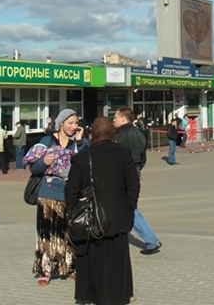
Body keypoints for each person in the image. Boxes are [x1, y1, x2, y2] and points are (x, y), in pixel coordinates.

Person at [65, 116, 139, 305]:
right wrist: (129, 206)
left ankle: (89, 296)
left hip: (89, 222)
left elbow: (71, 191)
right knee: (117, 262)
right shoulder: (122, 153)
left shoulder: (81, 157)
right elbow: (133, 184)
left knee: (91, 263)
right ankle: (119, 296)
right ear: (111, 133)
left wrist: (75, 213)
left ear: (92, 134)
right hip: (117, 219)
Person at [29, 109, 86, 285]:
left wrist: (81, 142)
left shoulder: (76, 142)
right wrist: (43, 162)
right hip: (48, 194)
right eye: (70, 123)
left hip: (70, 194)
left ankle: (69, 267)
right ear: (61, 123)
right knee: (47, 232)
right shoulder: (47, 140)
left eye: (76, 123)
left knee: (68, 232)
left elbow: (87, 162)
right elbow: (34, 169)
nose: (74, 127)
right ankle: (46, 270)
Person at [112, 107, 162, 256]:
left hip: (123, 175)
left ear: (123, 119)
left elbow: (116, 158)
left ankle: (151, 239)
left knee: (129, 207)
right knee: (126, 206)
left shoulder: (120, 136)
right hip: (135, 172)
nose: (113, 120)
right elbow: (143, 157)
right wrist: (138, 169)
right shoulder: (140, 134)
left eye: (115, 117)